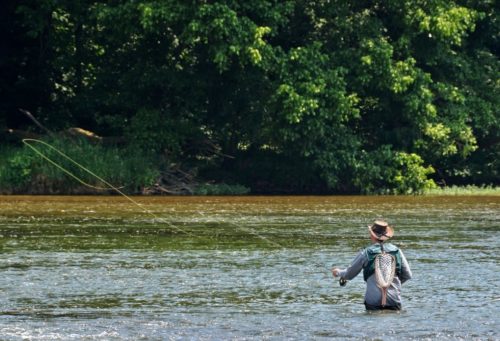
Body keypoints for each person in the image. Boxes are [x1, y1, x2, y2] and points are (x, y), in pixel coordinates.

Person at [331, 220, 412, 311]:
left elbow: (349, 275)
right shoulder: (397, 252)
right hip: (394, 301)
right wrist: (393, 285)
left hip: (373, 302)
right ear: (387, 236)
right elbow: (408, 275)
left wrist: (337, 272)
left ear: (372, 235)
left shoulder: (366, 253)